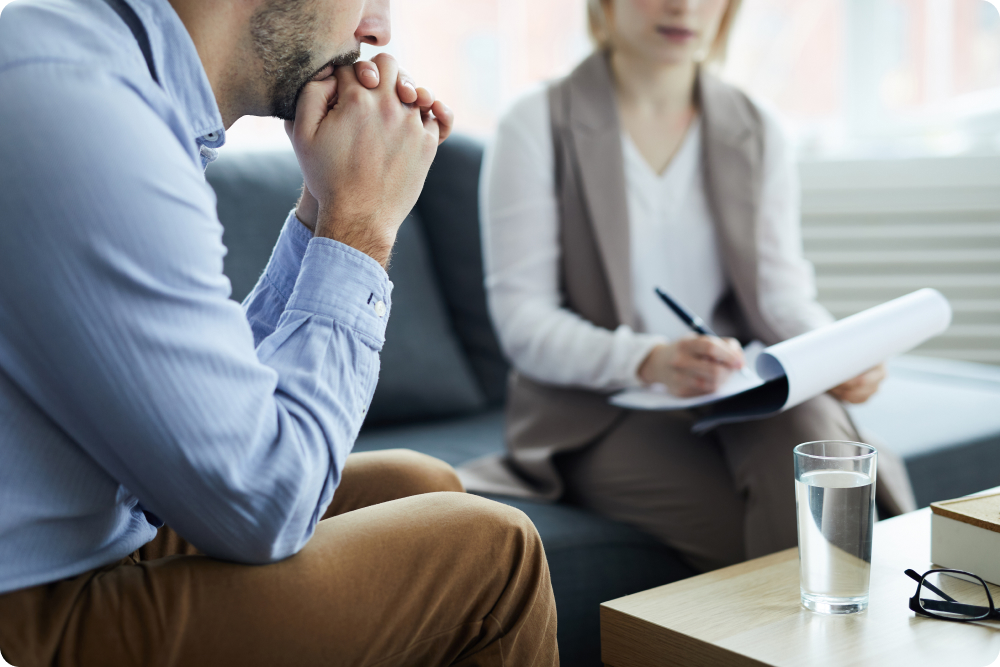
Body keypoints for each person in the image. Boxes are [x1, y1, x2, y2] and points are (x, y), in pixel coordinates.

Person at [0, 0, 558, 665]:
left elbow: (203, 409)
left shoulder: (113, 79)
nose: (379, 30)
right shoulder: (85, 116)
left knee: (421, 483)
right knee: (494, 556)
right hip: (31, 603)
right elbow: (263, 501)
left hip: (92, 528)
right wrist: (362, 226)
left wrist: (325, 206)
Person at [466, 0, 917, 573]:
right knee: (785, 544)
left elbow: (781, 297)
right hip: (598, 409)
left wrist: (836, 355)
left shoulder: (757, 128)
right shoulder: (535, 123)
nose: (683, 6)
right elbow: (523, 320)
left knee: (814, 438)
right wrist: (649, 360)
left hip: (732, 388)